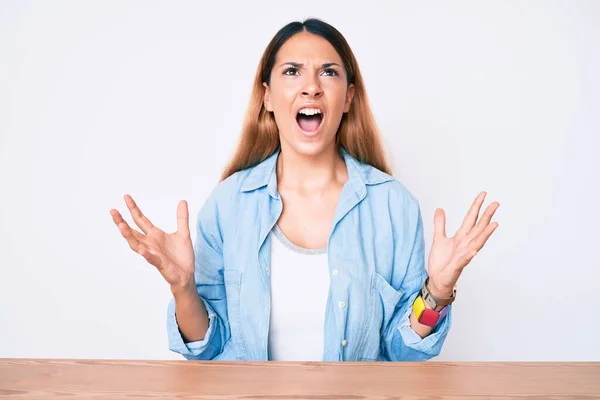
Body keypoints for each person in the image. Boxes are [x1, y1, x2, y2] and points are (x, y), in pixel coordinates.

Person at [110, 18, 499, 362]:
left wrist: (438, 290)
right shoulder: (227, 205)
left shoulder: (392, 205)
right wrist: (183, 290)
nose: (311, 87)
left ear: (347, 97)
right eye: (292, 71)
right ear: (267, 96)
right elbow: (209, 349)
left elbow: (402, 351)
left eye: (328, 72)